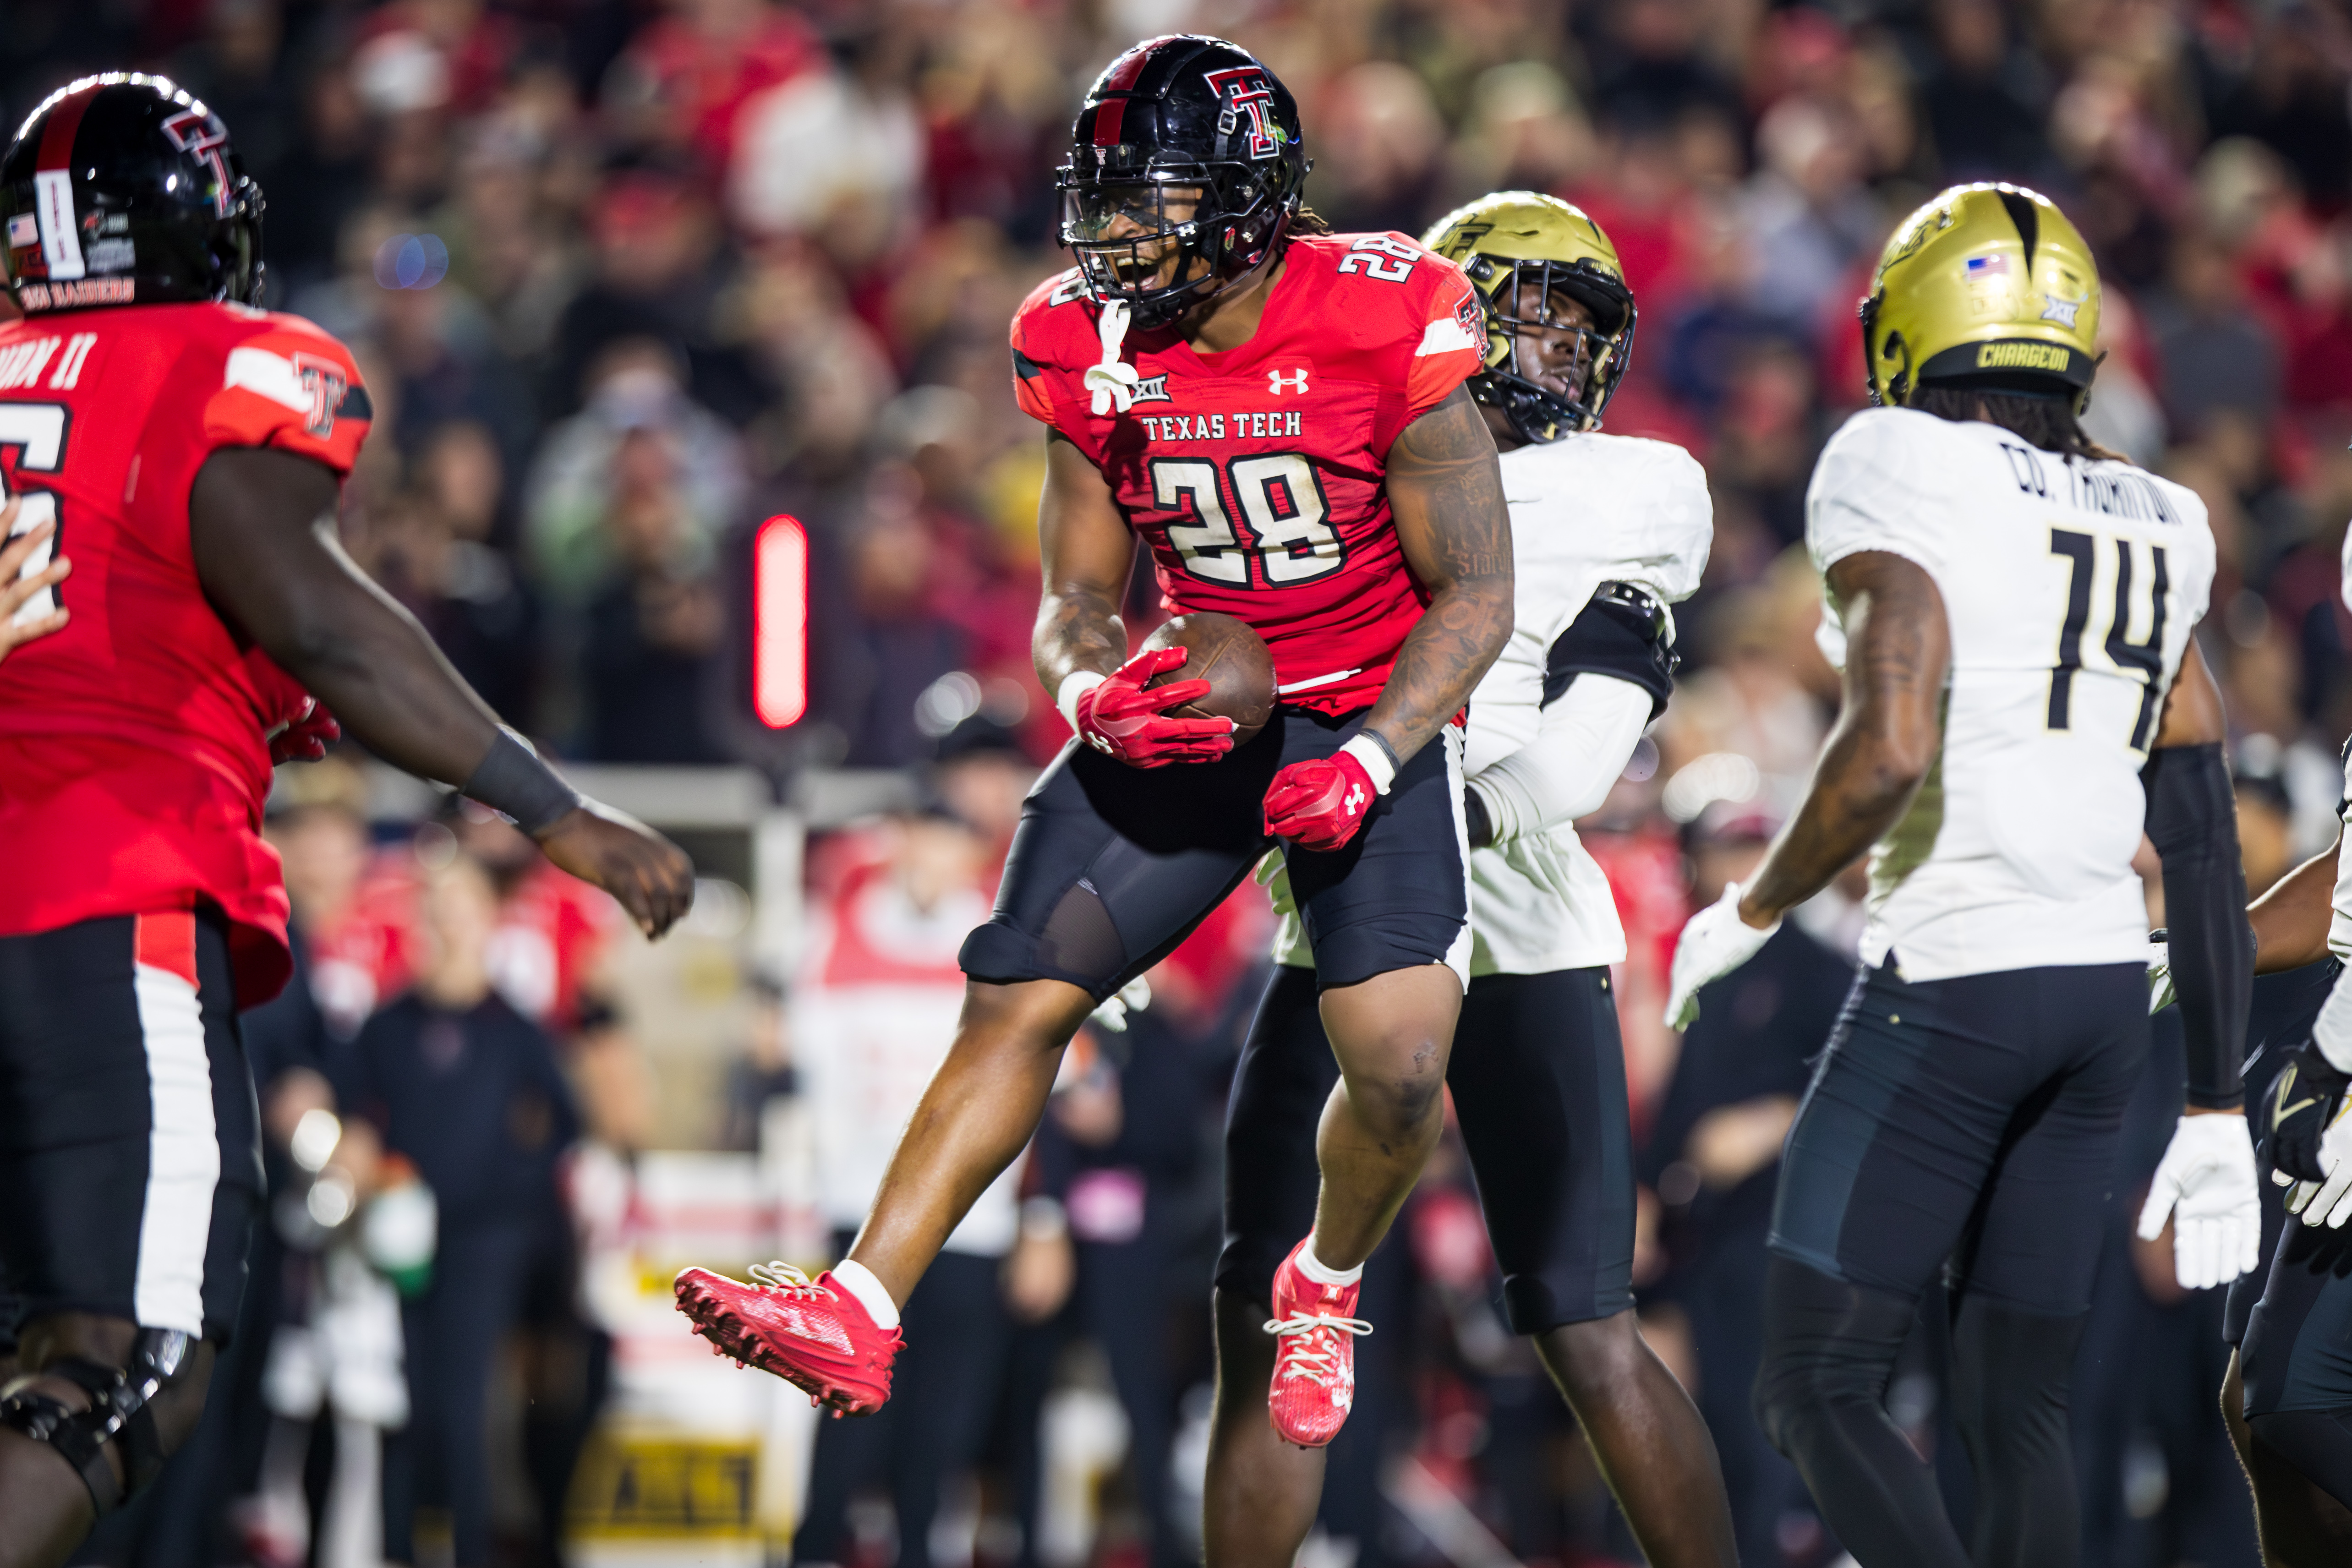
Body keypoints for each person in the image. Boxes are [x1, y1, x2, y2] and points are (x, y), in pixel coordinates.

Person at [675, 34, 1513, 1454]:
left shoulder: (1388, 314)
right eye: (1106, 197)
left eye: (1154, 200)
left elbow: (1477, 594)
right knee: (1016, 990)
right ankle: (864, 1302)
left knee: (1402, 1061)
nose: (1115, 232)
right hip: (1199, 698)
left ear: (1249, 201)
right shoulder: (1080, 338)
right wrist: (1087, 694)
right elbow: (1074, 596)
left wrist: (1372, 755)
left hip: (1367, 704)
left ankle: (1324, 1281)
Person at [0, 75, 695, 1568]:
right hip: (94, 895)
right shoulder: (214, 365)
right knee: (130, 1361)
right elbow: (325, 622)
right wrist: (549, 807)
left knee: (35, 1356)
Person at [1662, 180, 2260, 1568]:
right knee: (2020, 1413)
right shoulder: (2162, 514)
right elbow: (2204, 827)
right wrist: (2218, 1097)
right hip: (2109, 996)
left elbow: (1886, 746)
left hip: (1956, 981)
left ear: (1911, 330)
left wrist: (1751, 910)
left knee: (1813, 1380)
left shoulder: (1895, 462)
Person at [1202, 192, 1734, 1567]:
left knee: (1581, 1321)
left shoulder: (1638, 483)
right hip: (1403, 907)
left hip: (1430, 895)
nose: (1557, 342)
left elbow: (1573, 767)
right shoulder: (1356, 443)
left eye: (1581, 318)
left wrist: (1394, 811)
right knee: (1286, 1318)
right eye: (1531, 305)